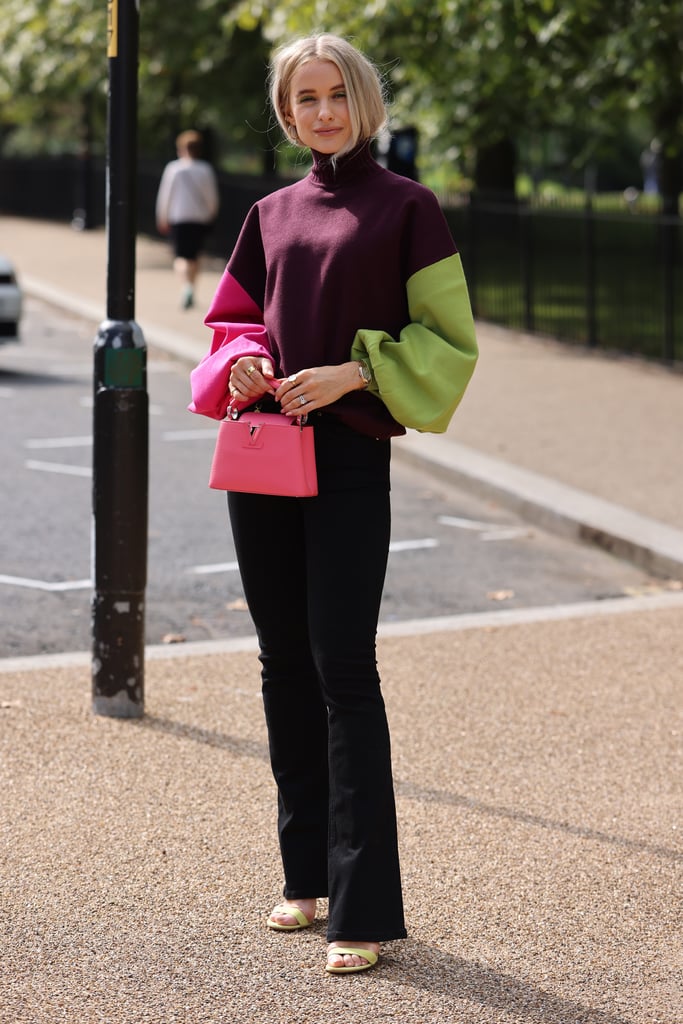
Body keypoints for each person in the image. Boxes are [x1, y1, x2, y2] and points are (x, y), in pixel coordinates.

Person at [188, 33, 477, 974]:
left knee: (342, 670)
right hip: (266, 454)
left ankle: (363, 908)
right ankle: (304, 878)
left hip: (348, 461)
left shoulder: (409, 209)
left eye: (335, 95)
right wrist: (245, 367)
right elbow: (230, 321)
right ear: (286, 113)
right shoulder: (268, 214)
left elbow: (447, 343)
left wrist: (353, 371)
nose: (321, 113)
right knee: (281, 665)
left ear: (363, 103)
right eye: (303, 99)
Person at [155, 129, 220, 309]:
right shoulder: (205, 169)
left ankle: (186, 287)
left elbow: (165, 196)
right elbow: (211, 197)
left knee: (181, 257)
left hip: (179, 218)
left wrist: (162, 216)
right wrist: (212, 213)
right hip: (200, 218)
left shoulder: (174, 169)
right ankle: (192, 287)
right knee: (195, 256)